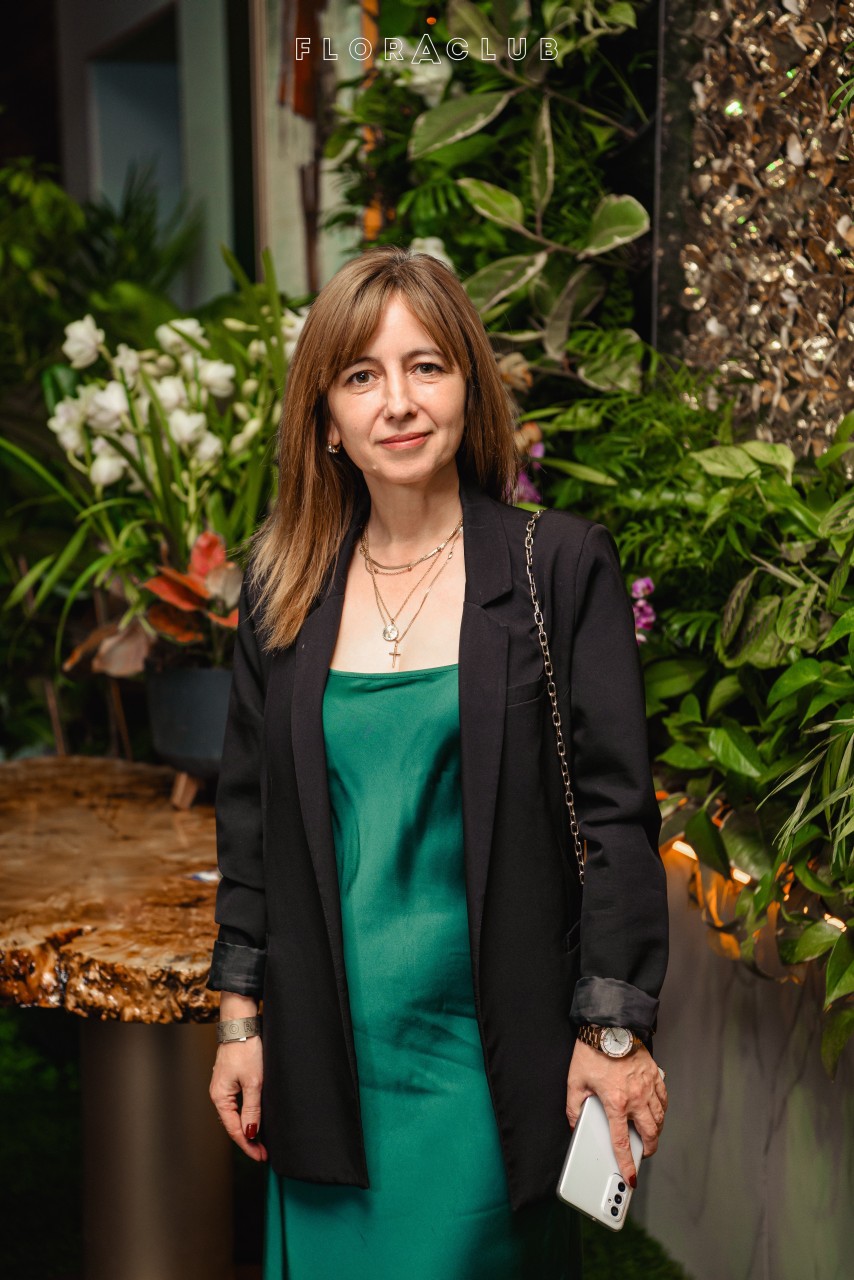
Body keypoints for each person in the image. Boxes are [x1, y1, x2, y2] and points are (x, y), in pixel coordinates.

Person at [207, 244, 669, 1278]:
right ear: (327, 420)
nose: (398, 402)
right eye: (361, 375)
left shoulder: (557, 565)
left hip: (488, 1057)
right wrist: (239, 1017)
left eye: (426, 366)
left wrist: (613, 1028)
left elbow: (615, 815)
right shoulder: (281, 584)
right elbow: (250, 820)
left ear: (468, 386)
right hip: (327, 1053)